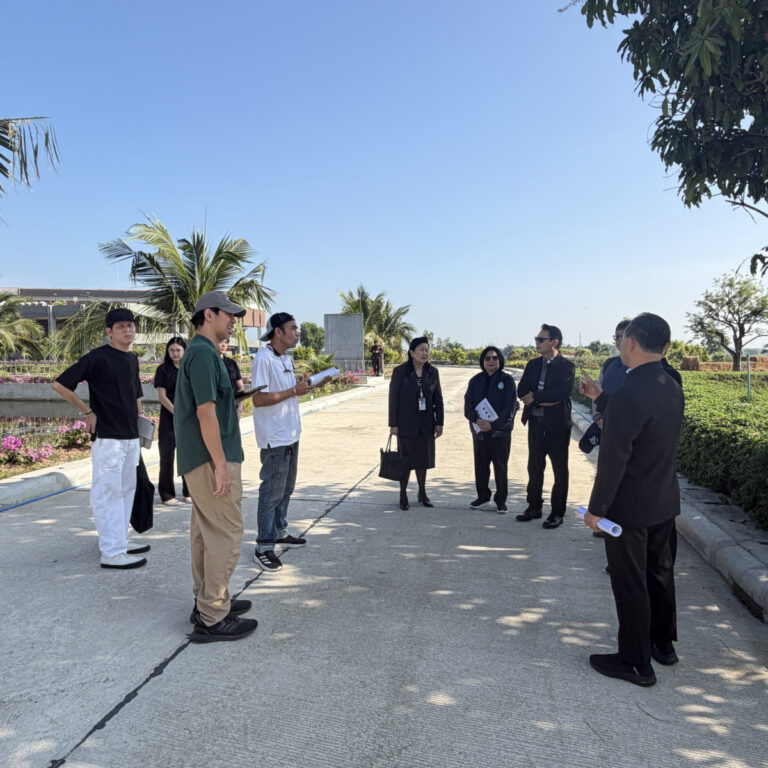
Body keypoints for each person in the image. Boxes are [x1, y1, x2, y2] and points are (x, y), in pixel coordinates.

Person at [581, 313, 685, 687]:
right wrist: (603, 397)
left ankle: (635, 661)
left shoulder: (629, 392)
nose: (620, 344)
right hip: (663, 501)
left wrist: (596, 511)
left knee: (630, 582)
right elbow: (646, 425)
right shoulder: (671, 384)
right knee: (659, 574)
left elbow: (614, 460)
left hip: (629, 507)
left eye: (622, 339)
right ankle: (662, 645)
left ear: (632, 343)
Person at [174, 292, 257, 642]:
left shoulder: (200, 352)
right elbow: (204, 412)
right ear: (208, 314)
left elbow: (210, 404)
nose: (233, 320)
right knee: (226, 532)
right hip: (211, 460)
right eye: (229, 314)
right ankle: (212, 615)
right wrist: (220, 465)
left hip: (202, 457)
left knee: (206, 534)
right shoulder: (205, 354)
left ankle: (208, 600)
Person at [52, 307, 149, 569]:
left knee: (127, 490)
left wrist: (141, 422)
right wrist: (88, 411)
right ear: (109, 331)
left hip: (130, 436)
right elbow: (60, 384)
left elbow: (135, 394)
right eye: (121, 327)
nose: (128, 330)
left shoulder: (131, 359)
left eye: (131, 325)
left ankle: (119, 541)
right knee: (108, 493)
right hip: (108, 437)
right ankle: (111, 552)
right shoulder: (98, 357)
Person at [251, 312, 328, 572]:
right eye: (293, 329)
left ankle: (280, 530)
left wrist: (308, 386)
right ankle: (263, 545)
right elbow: (258, 399)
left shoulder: (285, 357)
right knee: (271, 491)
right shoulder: (264, 359)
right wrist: (294, 390)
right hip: (275, 438)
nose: (298, 333)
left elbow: (285, 393)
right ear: (277, 332)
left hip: (291, 434)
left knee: (286, 488)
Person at [516, 324, 575, 529]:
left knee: (559, 470)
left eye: (541, 340)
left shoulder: (566, 366)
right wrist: (543, 400)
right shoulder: (532, 365)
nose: (537, 343)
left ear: (554, 342)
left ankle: (557, 512)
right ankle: (534, 507)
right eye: (536, 339)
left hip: (557, 426)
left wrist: (536, 397)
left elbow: (561, 394)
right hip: (535, 423)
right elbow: (522, 390)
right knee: (534, 467)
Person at [388, 337, 444, 510]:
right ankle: (403, 493)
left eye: (427, 350)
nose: (425, 353)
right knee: (405, 461)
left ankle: (422, 492)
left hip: (426, 424)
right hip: (406, 424)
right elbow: (393, 399)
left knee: (423, 461)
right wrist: (393, 424)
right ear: (411, 352)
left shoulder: (432, 372)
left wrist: (439, 422)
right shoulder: (400, 372)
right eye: (421, 349)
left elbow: (438, 399)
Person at [464, 346, 518, 513]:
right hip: (479, 431)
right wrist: (475, 419)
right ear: (482, 361)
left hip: (500, 432)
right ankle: (483, 497)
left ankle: (501, 501)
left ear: (500, 360)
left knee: (500, 467)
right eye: (487, 358)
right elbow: (468, 404)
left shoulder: (507, 381)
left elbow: (510, 407)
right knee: (481, 465)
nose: (491, 361)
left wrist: (493, 425)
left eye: (495, 358)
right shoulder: (475, 381)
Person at [154, 336, 190, 506]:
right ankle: (167, 494)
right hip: (169, 419)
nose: (175, 354)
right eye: (172, 350)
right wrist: (177, 412)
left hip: (188, 419)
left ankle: (189, 491)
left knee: (188, 456)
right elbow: (162, 396)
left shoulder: (189, 368)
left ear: (184, 351)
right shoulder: (163, 370)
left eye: (178, 350)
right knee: (166, 457)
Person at [217, 338, 245, 416]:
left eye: (226, 342)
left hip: (233, 408)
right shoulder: (210, 363)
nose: (223, 345)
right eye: (220, 342)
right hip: (217, 410)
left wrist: (239, 409)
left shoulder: (232, 363)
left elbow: (240, 387)